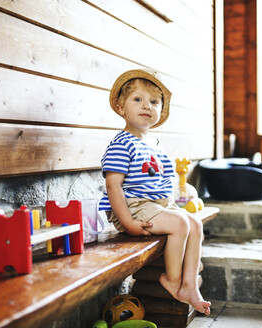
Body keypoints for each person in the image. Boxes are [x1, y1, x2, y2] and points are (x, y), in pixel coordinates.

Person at [98, 69, 211, 315]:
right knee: (181, 222)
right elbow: (113, 185)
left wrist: (172, 204)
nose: (146, 106)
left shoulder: (155, 146)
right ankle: (172, 279)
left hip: (158, 205)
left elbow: (162, 184)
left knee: (195, 223)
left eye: (154, 102)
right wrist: (127, 222)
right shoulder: (122, 143)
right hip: (133, 206)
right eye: (137, 99)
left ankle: (190, 285)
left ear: (160, 111)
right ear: (121, 107)